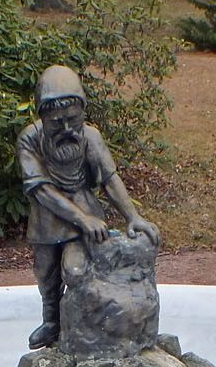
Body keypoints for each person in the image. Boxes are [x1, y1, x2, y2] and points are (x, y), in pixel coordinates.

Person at [17, 65, 158, 349]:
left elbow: (109, 178)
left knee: (75, 270)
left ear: (83, 112)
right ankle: (52, 322)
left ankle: (87, 326)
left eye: (73, 119)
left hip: (85, 210)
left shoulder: (90, 137)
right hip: (48, 218)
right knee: (44, 271)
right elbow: (41, 190)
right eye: (57, 122)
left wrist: (132, 216)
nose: (67, 129)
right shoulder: (29, 139)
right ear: (43, 118)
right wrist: (80, 219)